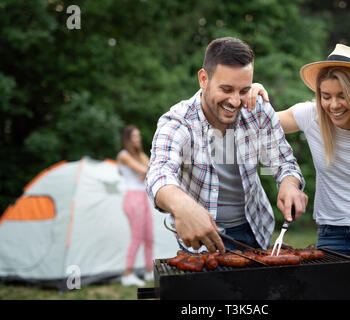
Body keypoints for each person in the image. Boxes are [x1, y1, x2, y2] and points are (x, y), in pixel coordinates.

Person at [248, 44, 350, 299]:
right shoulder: (311, 115)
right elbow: (263, 121)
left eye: (342, 95)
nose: (333, 105)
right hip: (332, 231)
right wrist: (254, 89)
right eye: (325, 96)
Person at [146, 37, 308, 254]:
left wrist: (289, 183)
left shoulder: (257, 110)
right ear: (203, 79)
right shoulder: (179, 121)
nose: (235, 101)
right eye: (226, 89)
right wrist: (182, 206)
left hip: (255, 230)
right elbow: (159, 171)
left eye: (243, 90)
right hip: (201, 240)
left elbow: (283, 162)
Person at [118, 125, 154, 286]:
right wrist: (146, 171)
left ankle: (148, 272)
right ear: (127, 139)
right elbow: (142, 169)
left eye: (139, 136)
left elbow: (151, 168)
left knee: (149, 237)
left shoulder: (139, 154)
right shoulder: (124, 155)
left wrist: (146, 171)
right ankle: (128, 274)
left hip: (143, 198)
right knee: (137, 237)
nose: (138, 139)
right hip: (132, 198)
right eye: (135, 136)